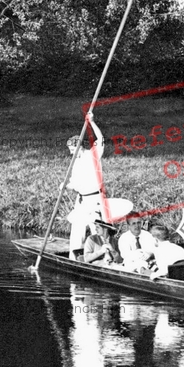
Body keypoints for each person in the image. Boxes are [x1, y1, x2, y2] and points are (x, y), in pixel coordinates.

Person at [66, 110, 105, 261]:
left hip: (95, 198)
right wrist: (66, 185)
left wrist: (91, 122)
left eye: (72, 150)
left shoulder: (92, 155)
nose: (70, 153)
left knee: (97, 228)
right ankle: (73, 258)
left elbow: (100, 138)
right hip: (81, 200)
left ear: (79, 147)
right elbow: (74, 182)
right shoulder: (75, 163)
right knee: (77, 229)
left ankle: (101, 256)